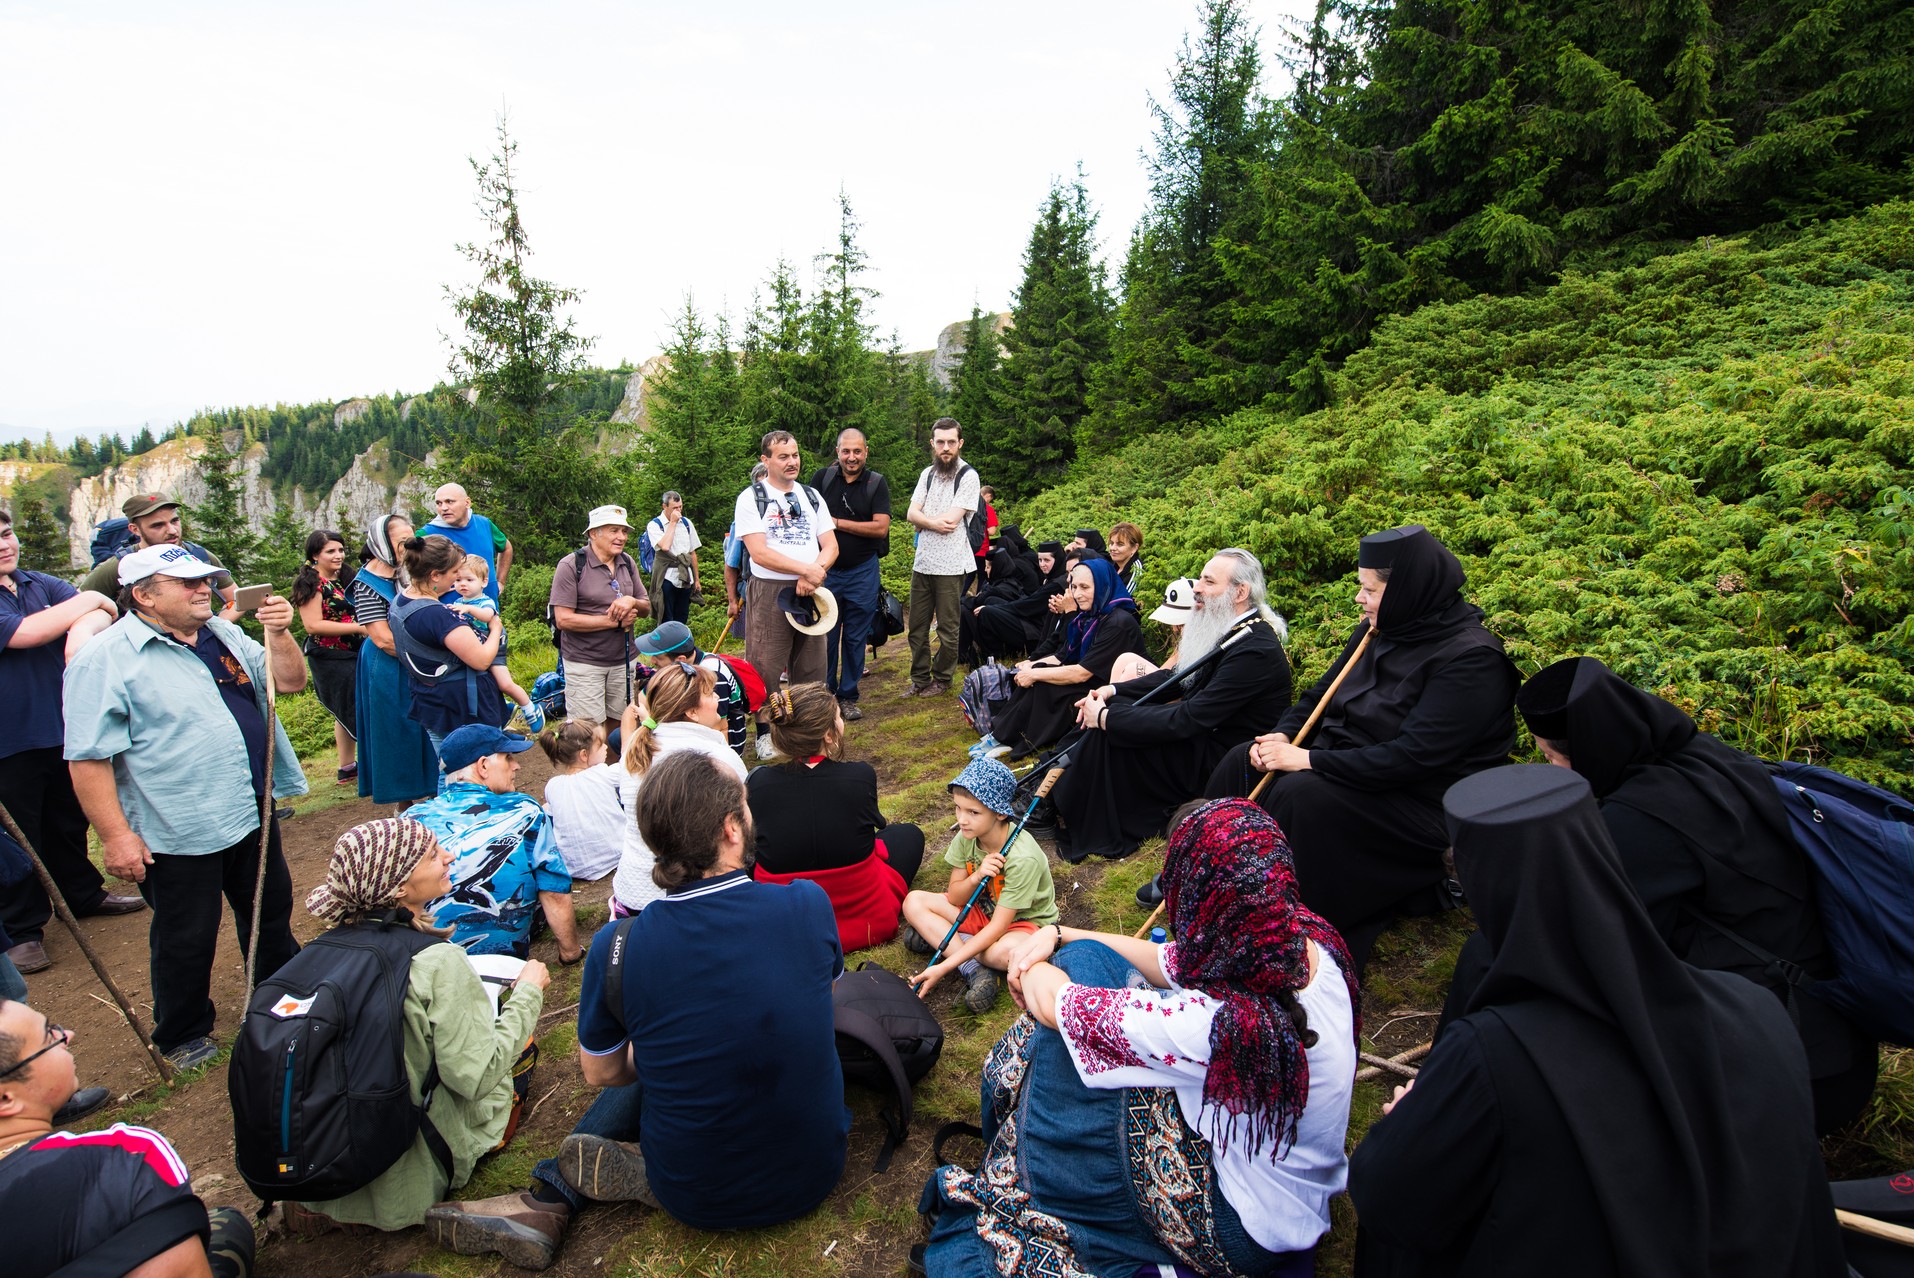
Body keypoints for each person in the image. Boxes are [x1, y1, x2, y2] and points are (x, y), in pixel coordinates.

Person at [1349, 764, 1846, 1278]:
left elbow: (1388, 1198)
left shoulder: (1492, 1052)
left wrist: (1411, 1120)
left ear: (1486, 889)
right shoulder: (1755, 1006)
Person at [426, 750, 849, 1268]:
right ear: (731, 830)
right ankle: (577, 1184)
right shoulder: (806, 903)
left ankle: (554, 1195)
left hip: (690, 1194)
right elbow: (821, 1006)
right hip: (816, 1170)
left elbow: (601, 1071)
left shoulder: (616, 945)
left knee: (666, 1050)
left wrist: (674, 1050)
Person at [920, 797, 1358, 1277]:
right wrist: (1060, 932)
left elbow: (1058, 1006)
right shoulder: (1305, 944)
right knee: (1084, 956)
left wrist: (1034, 961)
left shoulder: (1216, 1023)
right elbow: (1166, 961)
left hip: (1238, 1228)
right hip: (1291, 1194)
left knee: (1065, 1035)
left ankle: (1029, 1167)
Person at [1506, 655, 1877, 1133]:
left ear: (1592, 748)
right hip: (1835, 1036)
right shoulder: (1711, 760)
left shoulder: (1642, 822)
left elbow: (1596, 953)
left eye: (1553, 757)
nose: (1550, 768)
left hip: (1789, 1077)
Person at [1204, 525, 1517, 969]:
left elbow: (1413, 758)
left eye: (1369, 589)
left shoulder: (1472, 660)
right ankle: (1208, 877)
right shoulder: (1380, 629)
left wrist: (1308, 760)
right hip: (1351, 767)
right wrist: (1282, 736)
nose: (1359, 598)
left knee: (1301, 794)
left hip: (1417, 799)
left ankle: (1278, 929)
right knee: (1243, 759)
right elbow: (1318, 696)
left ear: (1407, 590)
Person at [63, 543, 308, 1070]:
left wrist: (282, 632)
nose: (204, 589)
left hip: (249, 805)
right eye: (187, 583)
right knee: (186, 932)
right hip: (175, 823)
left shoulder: (222, 635)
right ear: (144, 595)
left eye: (206, 580)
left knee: (270, 909)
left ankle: (279, 996)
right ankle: (182, 1032)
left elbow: (289, 682)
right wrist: (116, 836)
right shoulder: (104, 659)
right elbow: (87, 758)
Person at [289, 817, 548, 1234]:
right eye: (432, 855)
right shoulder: (436, 961)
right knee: (519, 1049)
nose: (449, 856)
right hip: (405, 1182)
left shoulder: (316, 954)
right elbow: (474, 1076)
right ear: (398, 889)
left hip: (321, 1163)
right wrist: (528, 993)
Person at [1043, 549, 1292, 864]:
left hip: (1219, 758)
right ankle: (1057, 785)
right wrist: (1111, 690)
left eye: (1208, 581)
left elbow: (1191, 717)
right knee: (1116, 705)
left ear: (1240, 592)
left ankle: (1066, 803)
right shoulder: (1233, 628)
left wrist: (1108, 719)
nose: (1197, 587)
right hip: (1201, 733)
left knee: (1112, 730)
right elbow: (1177, 678)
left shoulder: (1255, 649)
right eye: (1200, 578)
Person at [0, 998, 256, 1277]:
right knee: (227, 1224)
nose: (68, 1036)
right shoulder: (126, 1156)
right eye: (50, 1036)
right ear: (5, 1098)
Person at [0, 507, 142, 979]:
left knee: (66, 819)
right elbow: (27, 633)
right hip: (8, 738)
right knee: (20, 835)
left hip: (59, 726)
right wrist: (79, 610)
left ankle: (80, 895)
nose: (6, 544)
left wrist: (77, 623)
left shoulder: (38, 583)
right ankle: (22, 930)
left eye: (8, 533)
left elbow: (104, 607)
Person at [746, 683, 924, 951]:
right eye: (839, 716)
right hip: (865, 919)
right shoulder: (860, 775)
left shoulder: (758, 783)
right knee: (907, 834)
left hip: (786, 921)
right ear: (829, 735)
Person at [405, 725, 579, 962]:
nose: (516, 766)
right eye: (508, 758)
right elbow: (554, 890)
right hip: (503, 960)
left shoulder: (411, 820)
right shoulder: (524, 811)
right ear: (483, 766)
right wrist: (570, 954)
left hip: (430, 959)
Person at [901, 758, 1059, 1012]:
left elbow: (998, 927)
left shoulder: (1022, 858)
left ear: (1000, 812)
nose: (962, 820)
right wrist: (975, 877)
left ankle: (950, 944)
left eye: (973, 812)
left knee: (1003, 952)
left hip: (1021, 924)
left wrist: (943, 967)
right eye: (957, 809)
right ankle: (974, 969)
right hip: (980, 912)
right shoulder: (968, 836)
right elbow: (954, 896)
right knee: (914, 901)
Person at [611, 661, 745, 916]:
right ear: (692, 712)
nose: (718, 697)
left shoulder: (636, 748)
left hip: (631, 890)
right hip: (689, 896)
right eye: (710, 693)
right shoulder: (719, 757)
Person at [734, 432, 838, 760]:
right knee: (765, 666)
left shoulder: (811, 496)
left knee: (812, 665)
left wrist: (814, 571)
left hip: (811, 589)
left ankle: (808, 731)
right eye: (783, 457)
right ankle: (766, 732)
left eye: (795, 455)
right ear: (766, 460)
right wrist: (805, 570)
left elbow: (831, 545)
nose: (792, 462)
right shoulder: (751, 498)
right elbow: (759, 553)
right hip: (769, 592)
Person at [989, 557, 1146, 759]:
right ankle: (1002, 733)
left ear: (1102, 586)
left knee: (1047, 688)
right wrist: (1033, 666)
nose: (1078, 594)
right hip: (1094, 677)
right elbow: (1066, 653)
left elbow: (1081, 673)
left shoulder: (1118, 622)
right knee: (1037, 672)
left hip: (1114, 690)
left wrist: (1037, 674)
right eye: (1073, 587)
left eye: (1085, 587)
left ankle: (1017, 738)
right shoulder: (1090, 616)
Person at [390, 534, 509, 763]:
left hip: (430, 699)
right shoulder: (437, 615)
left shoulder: (401, 601)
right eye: (454, 572)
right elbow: (481, 660)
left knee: (448, 769)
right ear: (435, 575)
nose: (457, 579)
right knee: (478, 770)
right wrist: (495, 628)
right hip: (461, 706)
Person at [350, 515, 438, 806]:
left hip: (415, 658)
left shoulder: (409, 572)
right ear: (381, 544)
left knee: (426, 725)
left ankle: (432, 788)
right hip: (388, 668)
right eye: (402, 542)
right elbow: (383, 639)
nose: (409, 546)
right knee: (398, 728)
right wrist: (428, 657)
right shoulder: (367, 584)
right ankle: (405, 802)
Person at [811, 428, 892, 721]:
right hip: (828, 572)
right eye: (846, 451)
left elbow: (880, 527)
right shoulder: (822, 479)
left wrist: (835, 522)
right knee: (826, 636)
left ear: (866, 452)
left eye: (857, 451)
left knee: (856, 636)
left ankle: (848, 696)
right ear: (837, 452)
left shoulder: (876, 483)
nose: (852, 457)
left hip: (862, 571)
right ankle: (826, 695)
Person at [550, 504, 649, 732]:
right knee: (589, 731)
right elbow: (563, 620)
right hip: (584, 663)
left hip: (623, 660)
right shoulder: (570, 565)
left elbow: (646, 607)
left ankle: (615, 768)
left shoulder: (627, 562)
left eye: (624, 532)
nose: (621, 537)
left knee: (621, 725)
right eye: (614, 530)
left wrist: (631, 601)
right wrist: (613, 622)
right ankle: (591, 769)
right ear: (593, 533)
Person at [904, 417, 980, 697]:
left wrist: (925, 521)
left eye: (951, 442)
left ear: (960, 443)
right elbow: (910, 513)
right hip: (922, 562)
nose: (945, 447)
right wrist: (924, 520)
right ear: (932, 444)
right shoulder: (927, 474)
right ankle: (920, 678)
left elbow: (951, 521)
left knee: (948, 628)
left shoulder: (968, 476)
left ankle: (943, 678)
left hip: (952, 564)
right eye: (940, 442)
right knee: (916, 627)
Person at [292, 528, 368, 785]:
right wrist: (359, 627)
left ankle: (348, 767)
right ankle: (359, 762)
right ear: (315, 555)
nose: (338, 555)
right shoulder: (310, 583)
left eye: (340, 550)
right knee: (347, 704)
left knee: (348, 706)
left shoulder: (346, 577)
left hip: (354, 649)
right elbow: (313, 625)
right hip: (328, 654)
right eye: (330, 551)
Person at [79, 492, 237, 614]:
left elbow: (236, 600)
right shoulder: (120, 565)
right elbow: (76, 604)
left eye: (174, 521)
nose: (172, 530)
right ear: (135, 529)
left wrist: (217, 627)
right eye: (157, 525)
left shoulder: (198, 555)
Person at [449, 554, 539, 728]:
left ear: (483, 582)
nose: (463, 584)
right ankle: (504, 707)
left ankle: (529, 707)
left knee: (503, 682)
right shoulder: (458, 601)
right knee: (484, 683)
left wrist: (468, 609)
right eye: (458, 579)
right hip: (478, 647)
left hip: (494, 644)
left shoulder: (484, 601)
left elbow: (488, 616)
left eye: (469, 579)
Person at [633, 620, 748, 756]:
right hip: (687, 733)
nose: (652, 661)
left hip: (719, 745)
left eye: (657, 656)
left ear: (680, 659)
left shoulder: (713, 675)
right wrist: (627, 748)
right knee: (618, 738)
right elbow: (637, 705)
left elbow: (718, 729)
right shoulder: (673, 670)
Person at [537, 721, 624, 881]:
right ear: (584, 755)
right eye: (601, 746)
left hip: (573, 866)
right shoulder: (602, 773)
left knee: (547, 808)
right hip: (616, 854)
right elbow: (629, 767)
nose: (606, 748)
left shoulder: (553, 785)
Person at [424, 483, 511, 605]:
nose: (443, 508)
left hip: (488, 613)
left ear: (467, 502)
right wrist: (432, 593)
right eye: (439, 503)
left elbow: (506, 548)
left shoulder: (484, 523)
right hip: (449, 617)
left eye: (450, 502)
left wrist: (500, 581)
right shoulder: (427, 534)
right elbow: (413, 572)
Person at [1111, 575, 1193, 684]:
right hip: (1168, 684)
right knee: (1125, 659)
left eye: (1181, 624)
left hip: (1182, 691)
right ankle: (1112, 697)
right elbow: (1164, 671)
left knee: (1133, 670)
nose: (1175, 629)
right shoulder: (1183, 643)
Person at [644, 492, 700, 626]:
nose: (678, 511)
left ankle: (681, 646)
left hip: (686, 576)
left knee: (682, 617)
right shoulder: (655, 525)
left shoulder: (687, 523)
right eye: (675, 508)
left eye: (680, 507)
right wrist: (673, 523)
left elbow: (692, 553)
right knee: (666, 618)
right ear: (664, 506)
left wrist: (697, 580)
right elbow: (664, 546)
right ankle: (667, 645)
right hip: (666, 577)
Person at [1107, 521, 1145, 591]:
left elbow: (1124, 599)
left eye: (1120, 544)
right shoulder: (1113, 566)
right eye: (1112, 543)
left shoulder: (1137, 571)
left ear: (1134, 548)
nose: (1113, 548)